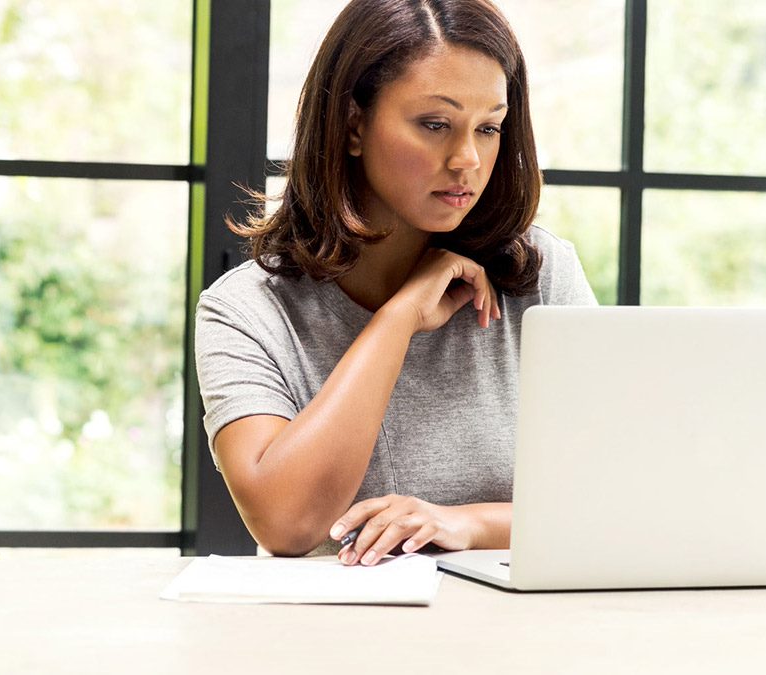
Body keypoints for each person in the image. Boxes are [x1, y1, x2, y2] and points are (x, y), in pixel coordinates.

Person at [194, 0, 596, 565]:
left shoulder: (540, 273)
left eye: (488, 128)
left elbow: (605, 497)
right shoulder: (245, 310)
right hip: (328, 644)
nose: (467, 160)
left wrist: (461, 523)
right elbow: (287, 524)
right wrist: (398, 316)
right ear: (354, 124)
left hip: (518, 639)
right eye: (435, 125)